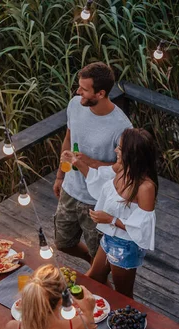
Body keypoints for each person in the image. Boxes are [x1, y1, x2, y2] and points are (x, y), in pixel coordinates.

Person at [63, 128, 157, 298]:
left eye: (120, 148)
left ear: (131, 154)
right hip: (109, 238)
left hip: (126, 246)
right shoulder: (122, 168)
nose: (115, 151)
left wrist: (111, 219)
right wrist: (77, 162)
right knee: (93, 278)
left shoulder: (146, 188)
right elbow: (100, 178)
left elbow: (143, 228)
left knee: (123, 295)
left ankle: (123, 322)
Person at [53, 62, 132, 264]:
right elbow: (68, 138)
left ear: (101, 93)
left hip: (97, 200)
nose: (78, 92)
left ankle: (99, 278)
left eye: (84, 89)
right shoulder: (74, 105)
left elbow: (124, 169)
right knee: (62, 242)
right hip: (70, 191)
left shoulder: (122, 127)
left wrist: (88, 162)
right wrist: (60, 175)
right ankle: (91, 262)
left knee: (100, 252)